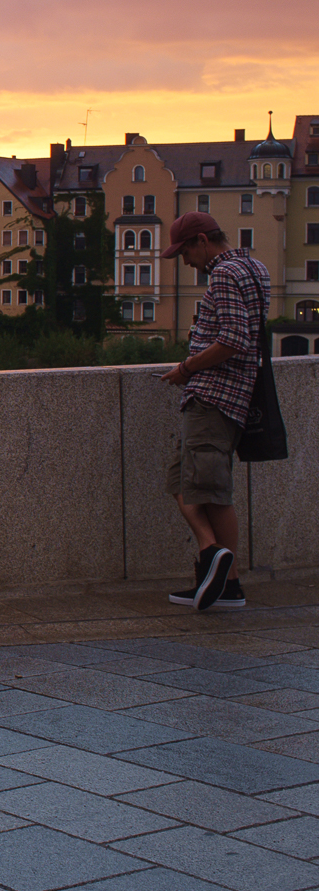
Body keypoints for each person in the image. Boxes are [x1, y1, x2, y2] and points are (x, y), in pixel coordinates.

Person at [157, 211, 270, 611]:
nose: (186, 263)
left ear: (202, 240)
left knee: (214, 492)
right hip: (236, 395)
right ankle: (215, 564)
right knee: (182, 480)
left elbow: (234, 339)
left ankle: (223, 574)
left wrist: (185, 369)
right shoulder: (255, 267)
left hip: (214, 397)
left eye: (186, 252)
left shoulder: (223, 274)